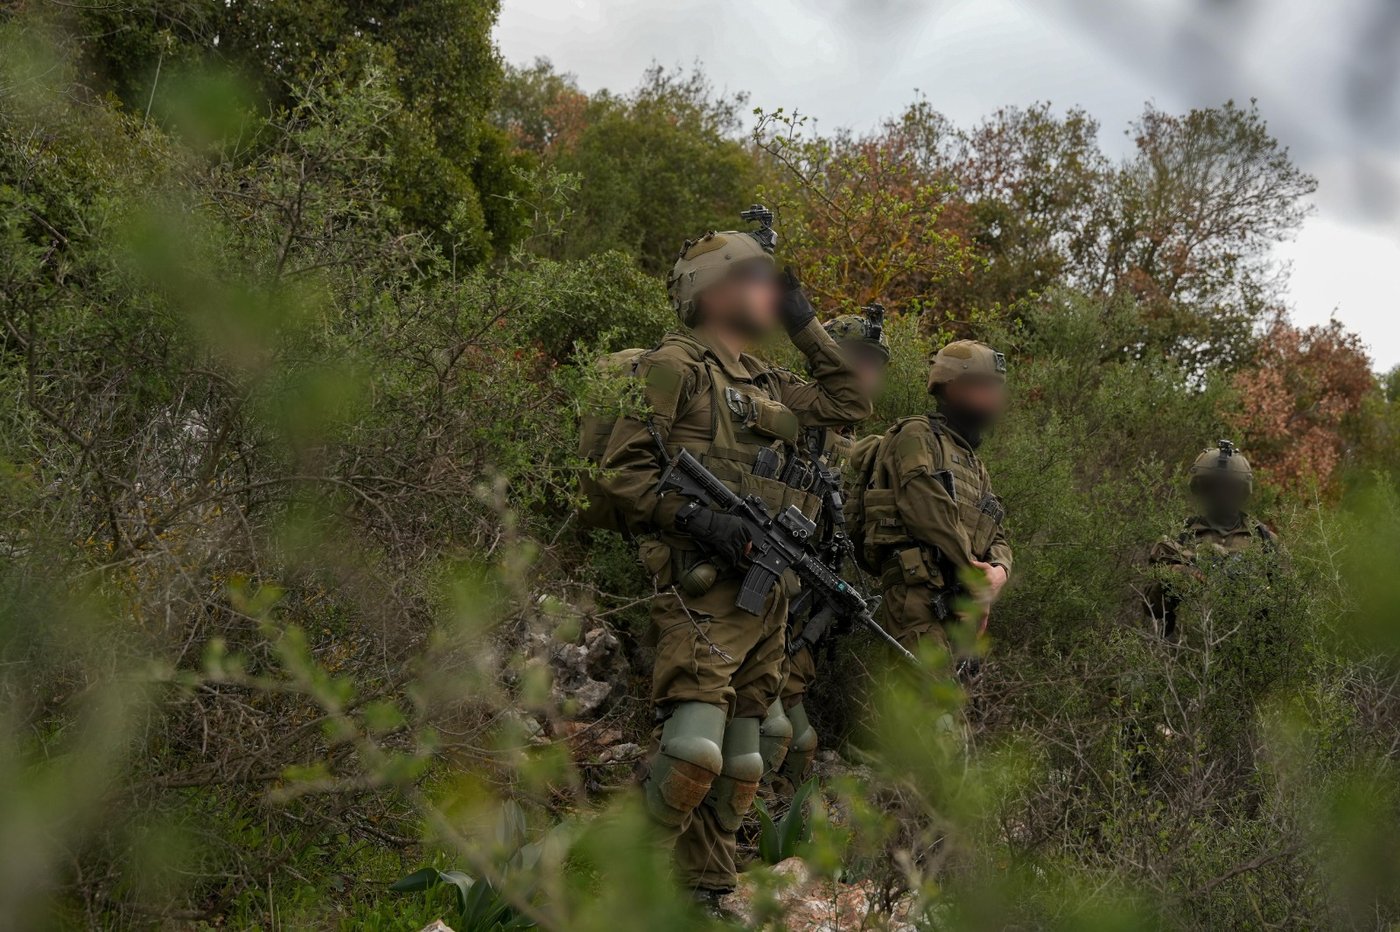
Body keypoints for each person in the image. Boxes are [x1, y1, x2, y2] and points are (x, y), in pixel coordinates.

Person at [595, 213, 871, 902]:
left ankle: (706, 892)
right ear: (711, 291)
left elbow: (850, 402)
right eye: (753, 278)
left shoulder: (773, 382)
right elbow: (621, 473)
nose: (766, 292)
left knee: (745, 765)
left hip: (769, 592)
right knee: (694, 753)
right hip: (705, 584)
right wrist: (700, 519)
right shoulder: (676, 366)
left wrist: (805, 321)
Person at [760, 305, 891, 792]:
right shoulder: (800, 416)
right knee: (775, 728)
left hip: (815, 602)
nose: (867, 371)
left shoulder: (853, 440)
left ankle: (774, 817)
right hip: (778, 588)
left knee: (797, 734)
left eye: (875, 363)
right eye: (857, 358)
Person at [856, 340, 1013, 656]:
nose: (995, 398)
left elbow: (997, 534)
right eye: (986, 387)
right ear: (954, 387)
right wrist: (974, 579)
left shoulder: (973, 464)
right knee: (932, 700)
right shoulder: (916, 435)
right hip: (916, 599)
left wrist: (999, 572)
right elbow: (927, 511)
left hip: (955, 606)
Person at [1145, 441, 1280, 640]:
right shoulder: (1181, 534)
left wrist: (1257, 597)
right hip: (1189, 653)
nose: (1220, 494)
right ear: (1202, 489)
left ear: (1241, 490)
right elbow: (1151, 608)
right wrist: (1175, 579)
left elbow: (1289, 606)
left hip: (1250, 657)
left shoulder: (1265, 539)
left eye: (1228, 487)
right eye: (1213, 487)